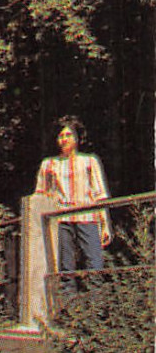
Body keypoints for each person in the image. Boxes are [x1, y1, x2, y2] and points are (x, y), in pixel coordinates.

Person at [35, 116, 112, 278]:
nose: (64, 139)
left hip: (88, 218)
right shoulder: (48, 164)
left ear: (77, 138)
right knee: (65, 268)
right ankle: (70, 303)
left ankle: (96, 302)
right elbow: (40, 196)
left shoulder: (89, 161)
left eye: (68, 135)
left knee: (94, 264)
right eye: (61, 136)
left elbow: (100, 195)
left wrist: (105, 224)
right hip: (63, 221)